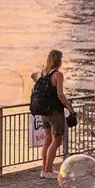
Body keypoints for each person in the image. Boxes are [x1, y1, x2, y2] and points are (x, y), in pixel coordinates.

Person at [31, 49, 74, 179]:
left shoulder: (42, 73)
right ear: (58, 60)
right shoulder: (58, 75)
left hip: (43, 112)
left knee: (47, 140)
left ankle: (44, 169)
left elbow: (33, 76)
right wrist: (70, 108)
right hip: (55, 112)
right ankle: (49, 170)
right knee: (56, 141)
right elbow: (60, 95)